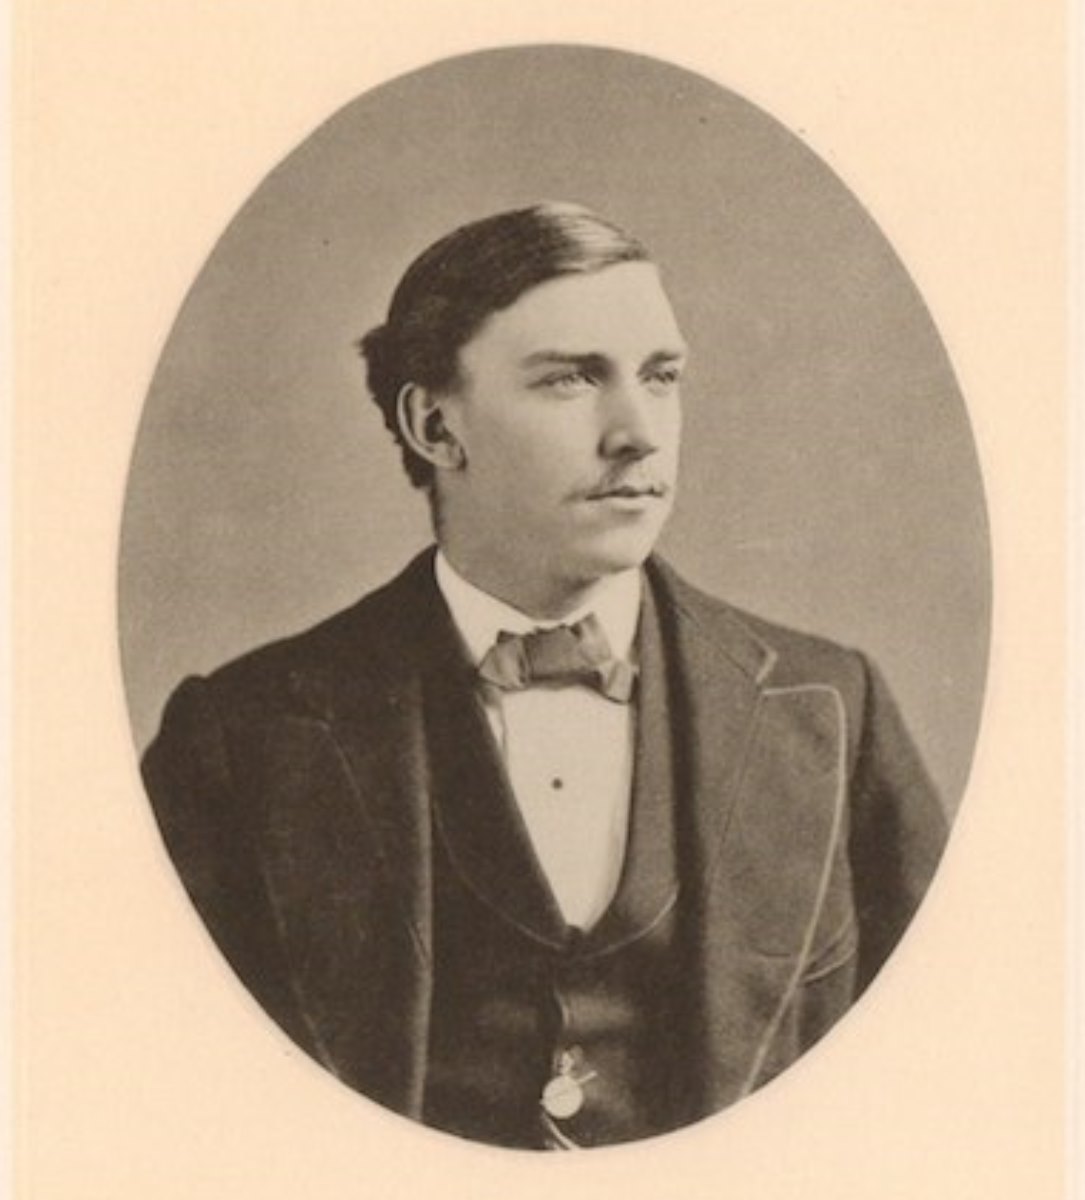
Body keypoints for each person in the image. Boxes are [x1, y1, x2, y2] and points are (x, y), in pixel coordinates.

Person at [141, 203, 951, 1150]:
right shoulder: (240, 739)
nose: (638, 434)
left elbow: (943, 1068)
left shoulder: (831, 709)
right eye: (570, 380)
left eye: (662, 377)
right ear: (436, 426)